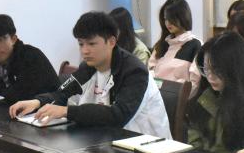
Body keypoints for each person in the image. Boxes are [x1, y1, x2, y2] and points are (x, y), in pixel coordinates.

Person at [10, 11, 171, 138]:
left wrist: (66, 111)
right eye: (81, 44)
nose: (85, 51)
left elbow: (118, 115)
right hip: (106, 141)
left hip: (145, 147)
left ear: (111, 42)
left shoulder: (134, 71)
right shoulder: (89, 67)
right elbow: (62, 93)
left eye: (92, 44)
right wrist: (37, 102)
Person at [148, 0, 202, 84]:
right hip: (156, 91)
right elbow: (150, 72)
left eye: (172, 18)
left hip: (180, 92)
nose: (168, 22)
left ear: (183, 17)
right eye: (165, 19)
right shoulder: (162, 44)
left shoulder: (195, 45)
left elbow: (195, 82)